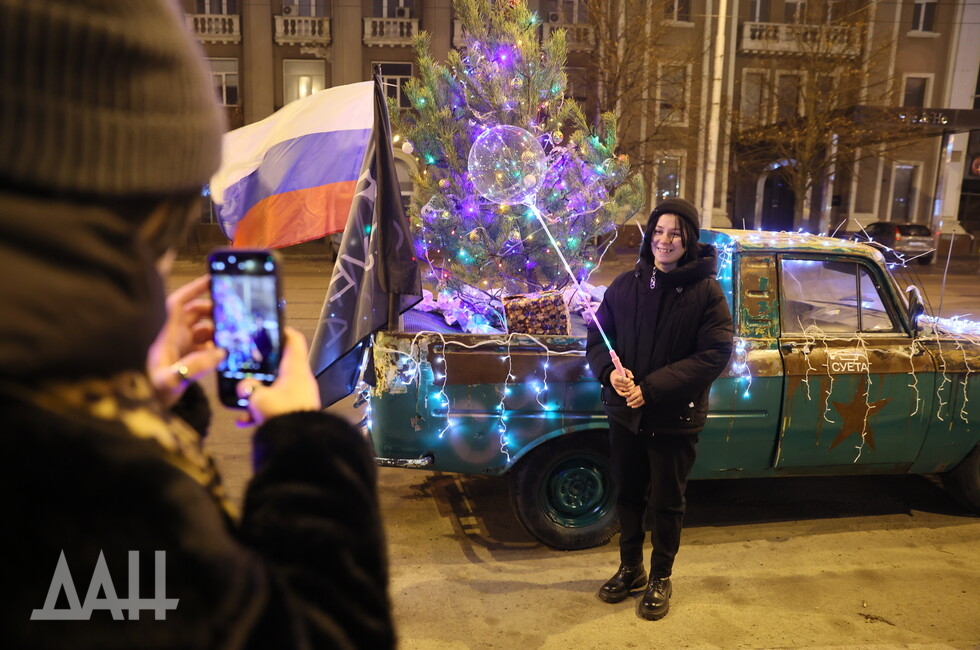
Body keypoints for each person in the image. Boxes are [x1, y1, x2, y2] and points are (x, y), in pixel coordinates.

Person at [0, 1, 395, 648]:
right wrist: (306, 450)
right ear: (135, 214)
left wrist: (148, 406)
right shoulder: (86, 486)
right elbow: (323, 633)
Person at [586, 198, 734, 621]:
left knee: (667, 502)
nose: (664, 240)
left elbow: (714, 353)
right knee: (629, 496)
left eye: (674, 233)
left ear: (688, 240)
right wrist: (608, 374)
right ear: (650, 236)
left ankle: (659, 577)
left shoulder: (706, 292)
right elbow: (598, 339)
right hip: (626, 416)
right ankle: (630, 568)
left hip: (674, 419)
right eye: (658, 232)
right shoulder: (625, 285)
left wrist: (651, 389)